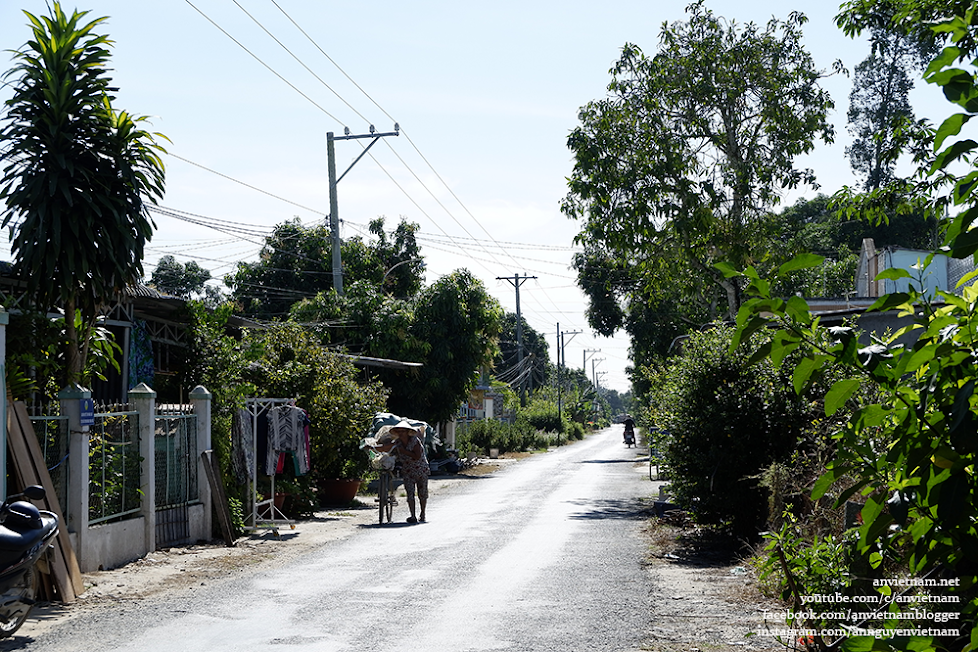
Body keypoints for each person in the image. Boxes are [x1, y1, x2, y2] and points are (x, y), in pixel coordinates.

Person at [377, 420, 430, 524]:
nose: (401, 434)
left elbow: (417, 456)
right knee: (410, 493)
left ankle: (422, 513)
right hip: (407, 471)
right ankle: (413, 515)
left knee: (422, 493)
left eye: (403, 431)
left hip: (421, 469)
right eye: (399, 432)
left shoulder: (415, 441)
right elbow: (386, 447)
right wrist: (372, 447)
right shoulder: (398, 443)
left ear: (407, 432)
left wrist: (403, 451)